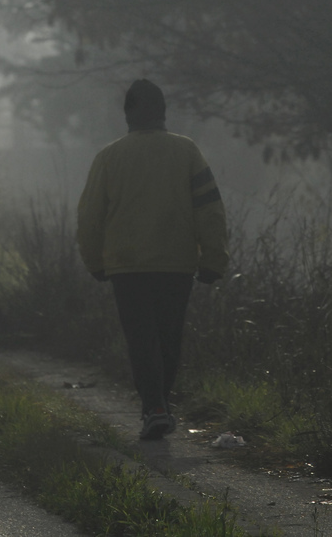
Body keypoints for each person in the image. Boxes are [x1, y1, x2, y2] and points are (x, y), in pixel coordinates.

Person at [77, 79, 229, 440]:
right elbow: (210, 210)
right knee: (168, 337)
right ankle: (160, 404)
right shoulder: (187, 152)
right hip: (175, 265)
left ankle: (155, 407)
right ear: (163, 113)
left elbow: (89, 217)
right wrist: (213, 259)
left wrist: (94, 261)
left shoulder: (109, 158)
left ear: (127, 114)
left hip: (127, 267)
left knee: (141, 338)